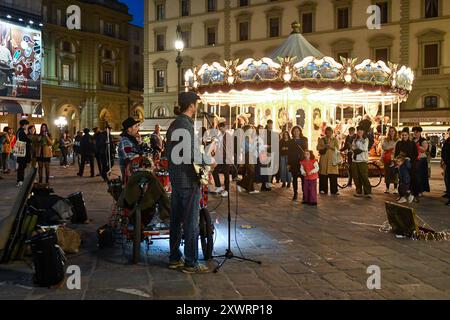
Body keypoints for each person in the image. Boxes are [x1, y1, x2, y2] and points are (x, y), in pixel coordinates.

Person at [166, 91, 210, 273]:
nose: (197, 107)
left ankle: (175, 258)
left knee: (175, 220)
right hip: (188, 179)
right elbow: (191, 153)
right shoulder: (185, 124)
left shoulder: (174, 124)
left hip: (175, 178)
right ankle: (191, 262)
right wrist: (208, 159)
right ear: (192, 105)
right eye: (196, 104)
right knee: (191, 222)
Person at [118, 117, 143, 184]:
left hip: (133, 167)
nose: (138, 128)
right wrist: (141, 154)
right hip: (129, 168)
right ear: (129, 129)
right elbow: (130, 156)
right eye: (136, 126)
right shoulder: (125, 140)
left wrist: (139, 143)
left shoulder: (132, 138)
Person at [317, 127, 340, 195]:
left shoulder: (335, 139)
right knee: (323, 174)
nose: (329, 133)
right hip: (324, 159)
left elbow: (337, 148)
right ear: (326, 132)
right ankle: (323, 189)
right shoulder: (322, 139)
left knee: (333, 176)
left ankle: (334, 190)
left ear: (332, 132)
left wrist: (331, 147)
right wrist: (324, 146)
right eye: (327, 131)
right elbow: (318, 147)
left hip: (332, 160)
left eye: (330, 132)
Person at [288, 126, 308, 200]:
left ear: (300, 131)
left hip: (302, 161)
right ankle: (295, 193)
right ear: (292, 132)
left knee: (303, 178)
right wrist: (289, 163)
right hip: (294, 161)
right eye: (295, 131)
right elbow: (289, 153)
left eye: (298, 131)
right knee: (295, 178)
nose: (296, 132)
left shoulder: (304, 139)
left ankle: (304, 193)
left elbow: (306, 150)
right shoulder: (291, 141)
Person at [212, 122, 231, 198]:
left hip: (226, 158)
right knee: (214, 172)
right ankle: (219, 186)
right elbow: (218, 146)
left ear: (224, 127)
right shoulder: (219, 136)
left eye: (221, 127)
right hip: (220, 158)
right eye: (219, 128)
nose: (220, 129)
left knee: (226, 174)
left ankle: (227, 190)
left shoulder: (228, 136)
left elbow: (230, 147)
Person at [351, 126, 371, 198]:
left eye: (361, 130)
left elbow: (364, 148)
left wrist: (356, 149)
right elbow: (352, 148)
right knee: (356, 177)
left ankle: (367, 192)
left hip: (362, 160)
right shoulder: (355, 140)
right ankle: (358, 191)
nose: (359, 132)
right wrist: (356, 149)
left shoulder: (365, 139)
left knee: (364, 176)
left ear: (363, 131)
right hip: (355, 160)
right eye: (358, 130)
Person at [412, 126, 430, 198]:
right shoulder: (412, 140)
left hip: (421, 160)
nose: (415, 133)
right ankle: (415, 190)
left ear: (420, 132)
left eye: (417, 132)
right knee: (414, 176)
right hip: (414, 160)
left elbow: (424, 149)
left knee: (421, 176)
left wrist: (418, 146)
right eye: (414, 132)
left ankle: (420, 191)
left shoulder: (423, 140)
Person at [381, 127, 399, 194]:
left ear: (395, 132)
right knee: (387, 173)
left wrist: (389, 148)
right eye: (390, 131)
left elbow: (397, 149)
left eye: (393, 131)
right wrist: (391, 148)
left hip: (395, 159)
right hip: (387, 158)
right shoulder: (386, 139)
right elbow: (383, 147)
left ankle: (395, 188)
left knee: (395, 173)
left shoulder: (398, 140)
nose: (391, 132)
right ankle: (387, 188)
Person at [16, 119, 32, 187]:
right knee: (21, 167)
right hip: (22, 152)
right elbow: (24, 140)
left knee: (21, 167)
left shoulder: (19, 131)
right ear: (24, 125)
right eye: (26, 125)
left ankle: (20, 180)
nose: (27, 126)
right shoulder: (21, 131)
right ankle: (20, 180)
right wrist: (30, 140)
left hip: (20, 151)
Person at [441, 128, 450, 205]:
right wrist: (445, 161)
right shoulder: (447, 141)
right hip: (448, 163)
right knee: (447, 179)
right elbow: (443, 152)